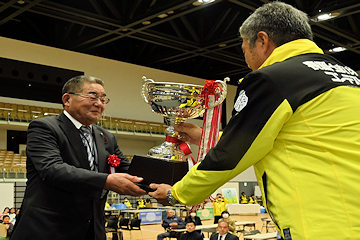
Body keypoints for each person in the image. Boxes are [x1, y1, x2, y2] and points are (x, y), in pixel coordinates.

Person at [148, 2, 360, 239]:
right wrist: (207, 138)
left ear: (262, 40)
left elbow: (229, 157)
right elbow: (289, 137)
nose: (247, 60)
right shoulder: (348, 76)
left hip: (323, 225)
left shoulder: (273, 78)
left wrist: (176, 193)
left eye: (244, 49)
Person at [11, 76, 146, 240]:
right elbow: (52, 169)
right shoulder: (45, 127)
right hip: (48, 229)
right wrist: (106, 180)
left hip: (92, 231)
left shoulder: (107, 137)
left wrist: (161, 182)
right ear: (67, 99)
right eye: (92, 96)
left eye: (103, 99)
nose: (99, 103)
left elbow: (129, 169)